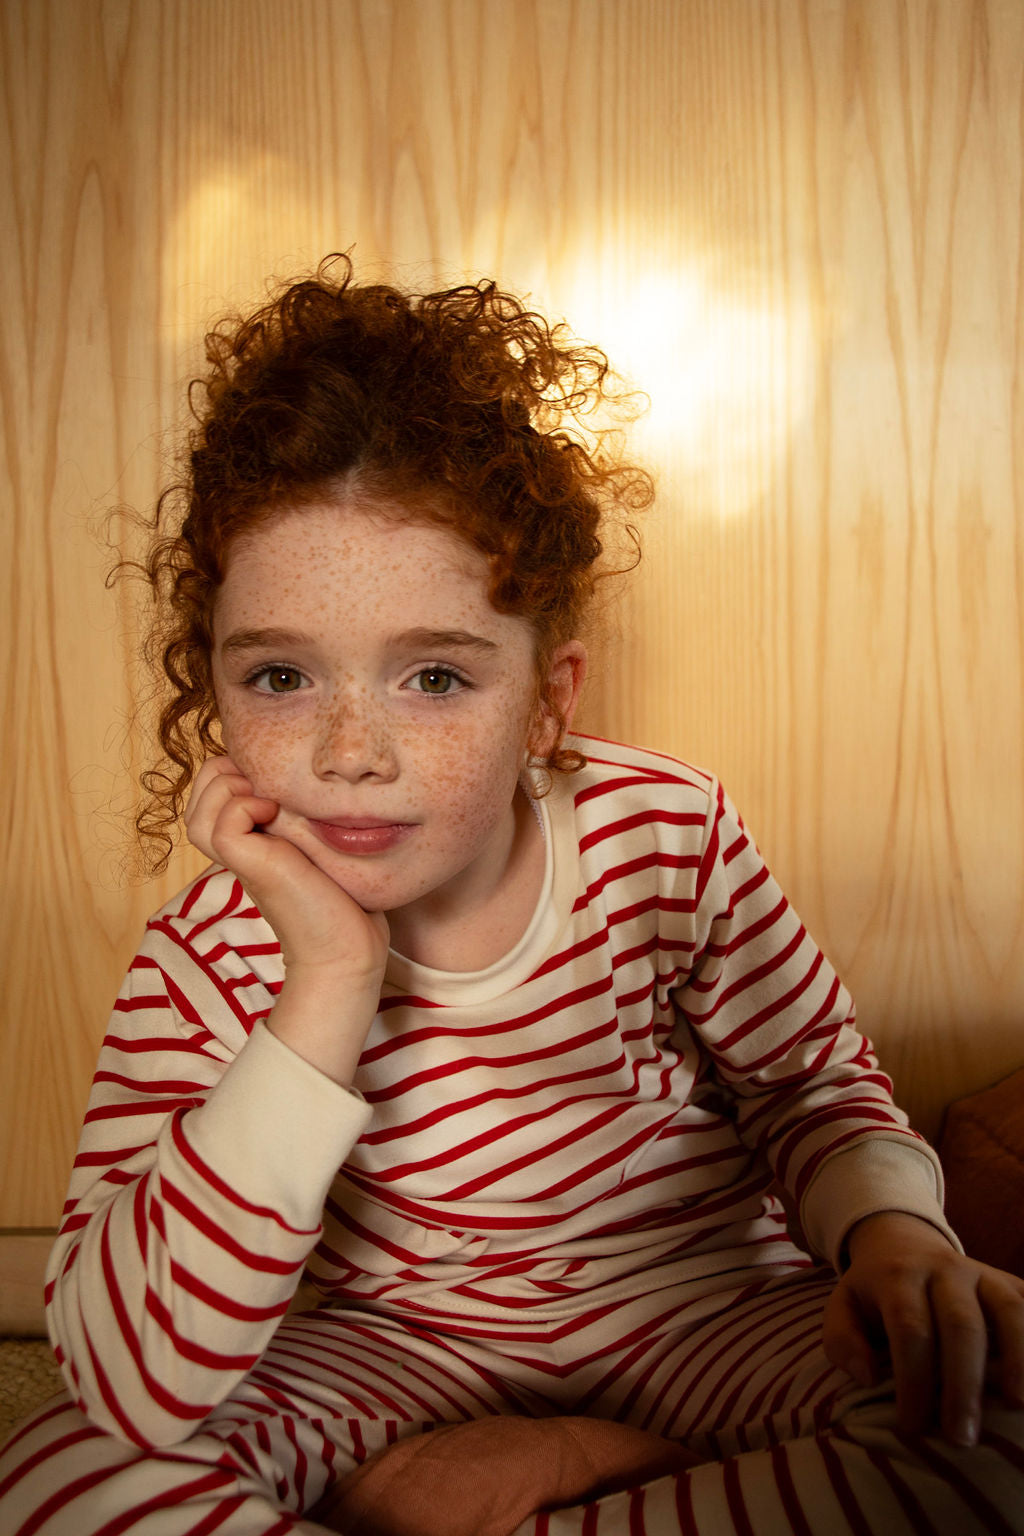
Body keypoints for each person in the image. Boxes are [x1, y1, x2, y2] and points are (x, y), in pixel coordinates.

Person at [1, 255, 1022, 1536]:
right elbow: (124, 1382)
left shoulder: (663, 830)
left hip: (697, 1303)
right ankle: (596, 1477)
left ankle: (520, 1489)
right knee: (59, 1476)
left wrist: (892, 1234)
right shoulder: (206, 955)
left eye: (433, 678)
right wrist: (325, 982)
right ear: (211, 687)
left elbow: (806, 1083)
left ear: (548, 701)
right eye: (280, 680)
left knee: (987, 1438)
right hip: (400, 1342)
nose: (348, 750)